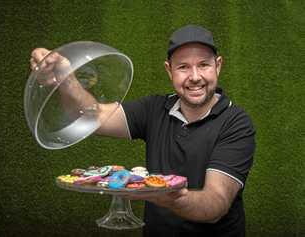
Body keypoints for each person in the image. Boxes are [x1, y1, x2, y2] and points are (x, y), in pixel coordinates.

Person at [30, 25, 255, 236]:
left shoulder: (236, 123)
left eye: (204, 65)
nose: (195, 77)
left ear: (218, 65)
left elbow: (215, 204)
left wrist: (167, 196)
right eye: (183, 67)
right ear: (169, 71)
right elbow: (91, 116)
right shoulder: (155, 109)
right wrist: (64, 75)